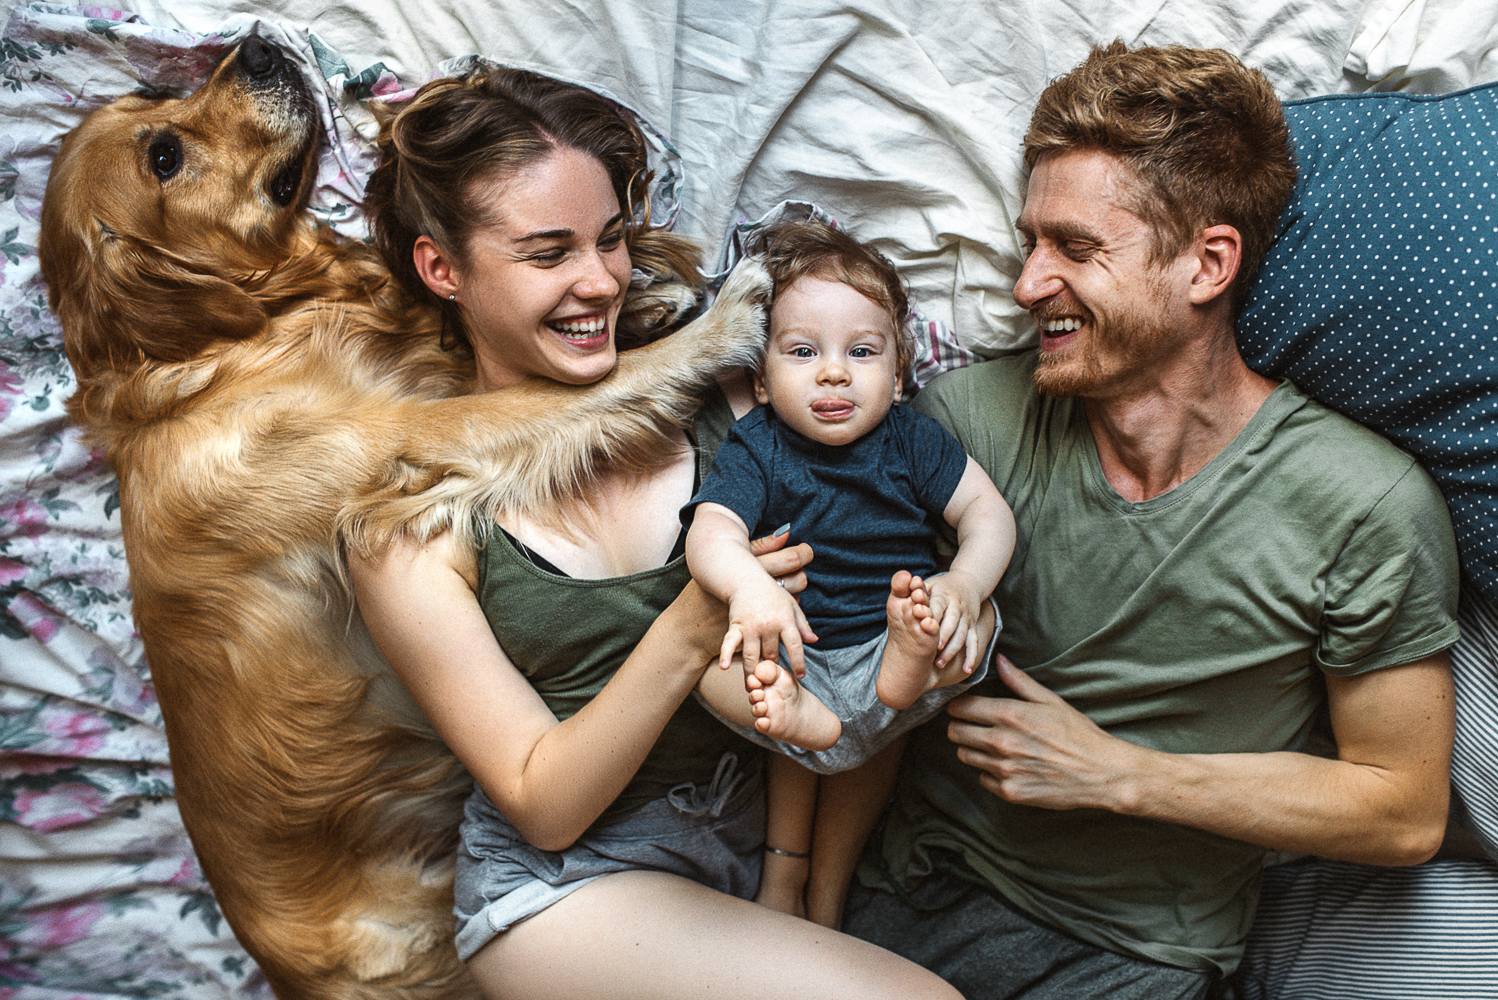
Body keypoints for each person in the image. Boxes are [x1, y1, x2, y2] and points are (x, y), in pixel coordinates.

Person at [841, 41, 1462, 1000]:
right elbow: (853, 678)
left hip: (1132, 961)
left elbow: (1402, 810)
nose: (1026, 284)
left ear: (1207, 264)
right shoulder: (965, 426)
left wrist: (1119, 775)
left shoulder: (1363, 507)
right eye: (1028, 245)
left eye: (1076, 251)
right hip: (895, 909)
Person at [348, 67, 961, 1000]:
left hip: (755, 843)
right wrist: (689, 622)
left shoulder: (729, 402)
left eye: (610, 239)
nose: (598, 281)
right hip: (565, 887)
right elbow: (543, 803)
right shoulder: (410, 519)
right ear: (444, 270)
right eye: (548, 253)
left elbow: (854, 645)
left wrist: (796, 871)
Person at [682, 219, 1015, 922]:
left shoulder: (913, 440)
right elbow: (711, 532)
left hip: (897, 645)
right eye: (803, 352)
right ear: (762, 380)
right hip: (799, 660)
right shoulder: (758, 446)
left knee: (977, 618)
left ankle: (823, 886)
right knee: (704, 668)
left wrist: (962, 585)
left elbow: (989, 518)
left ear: (899, 377)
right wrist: (748, 586)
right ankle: (818, 765)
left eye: (861, 352)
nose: (833, 372)